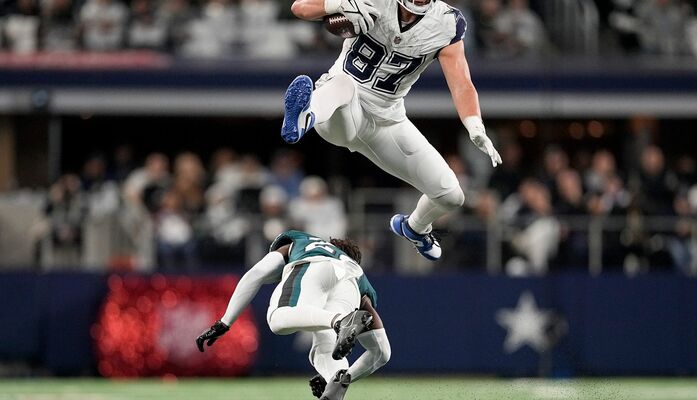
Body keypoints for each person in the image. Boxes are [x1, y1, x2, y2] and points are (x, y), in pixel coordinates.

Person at [282, 0, 502, 261]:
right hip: (339, 110)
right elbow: (300, 7)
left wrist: (474, 124)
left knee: (451, 195)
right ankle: (306, 114)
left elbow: (462, 83)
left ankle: (415, 228)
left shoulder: (446, 22)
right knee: (344, 84)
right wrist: (337, 4)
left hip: (387, 120)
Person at [196, 230, 390, 400]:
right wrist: (342, 377)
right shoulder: (358, 275)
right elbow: (382, 353)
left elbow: (255, 274)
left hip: (315, 265)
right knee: (325, 346)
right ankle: (336, 379)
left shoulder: (303, 243)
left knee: (277, 319)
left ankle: (339, 321)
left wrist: (225, 322)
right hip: (352, 285)